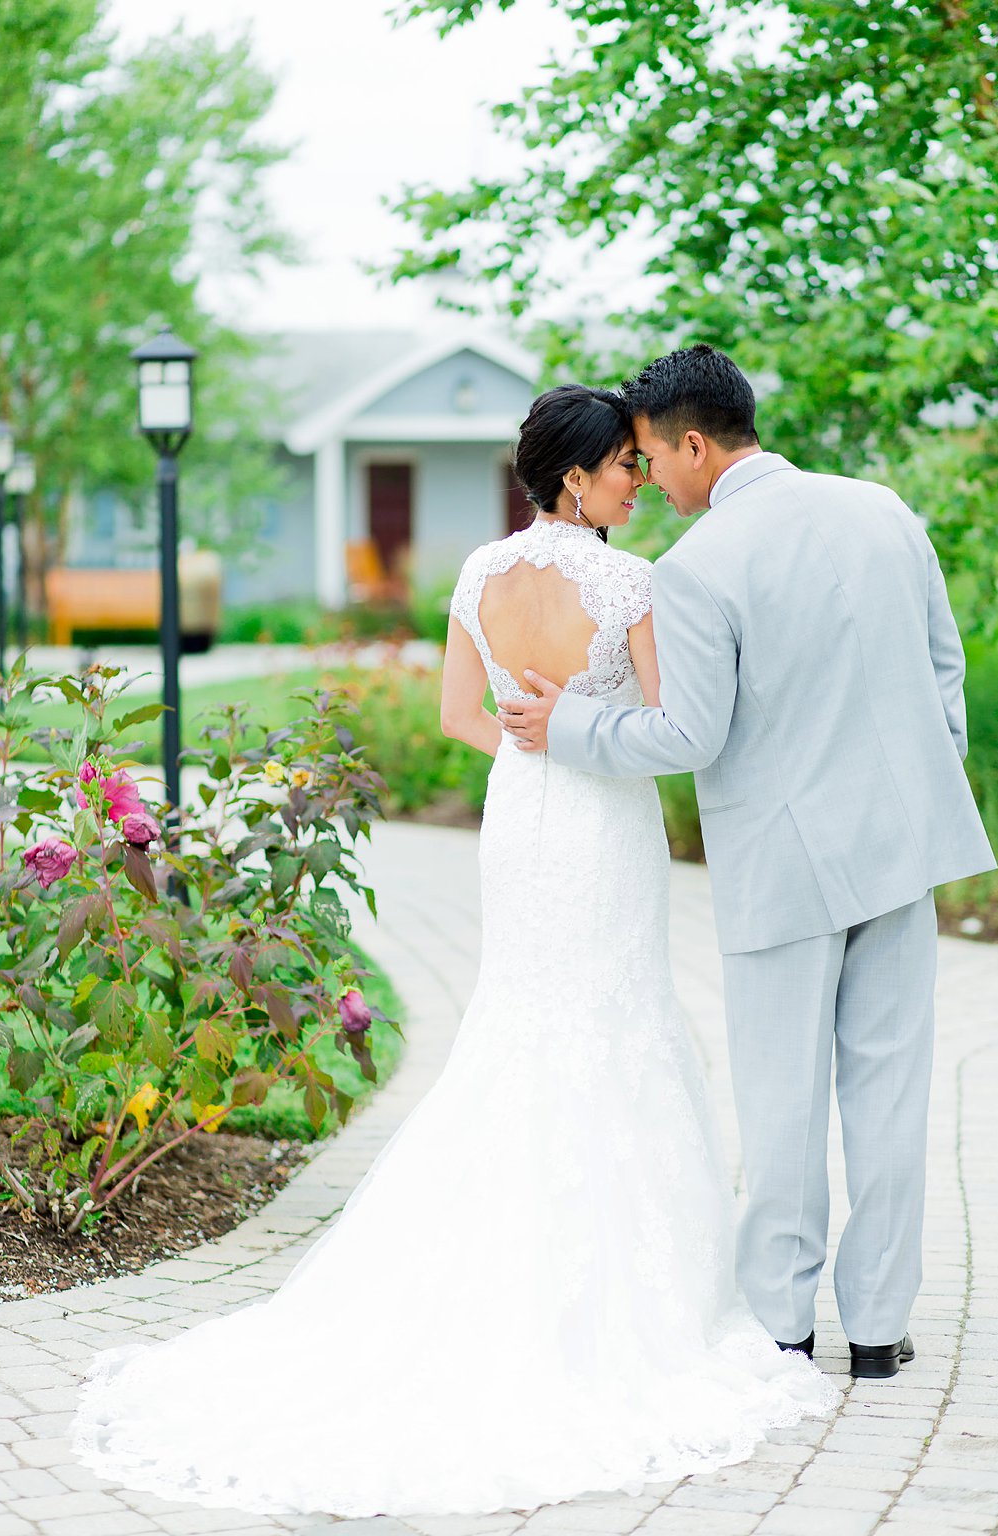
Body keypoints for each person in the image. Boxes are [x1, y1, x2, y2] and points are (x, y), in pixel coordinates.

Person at [69, 382, 837, 1520]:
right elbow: (667, 736)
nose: (636, 481)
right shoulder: (629, 582)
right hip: (593, 821)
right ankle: (628, 1304)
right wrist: (577, 740)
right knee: (609, 1020)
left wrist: (528, 745)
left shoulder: (479, 575)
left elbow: (456, 717)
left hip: (519, 818)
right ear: (574, 478)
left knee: (524, 1022)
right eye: (623, 466)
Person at [500, 344, 994, 1379]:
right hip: (898, 858)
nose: (647, 481)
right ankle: (874, 1330)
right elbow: (941, 670)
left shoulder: (697, 569)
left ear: (691, 444)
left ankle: (779, 1325)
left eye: (647, 458)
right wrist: (904, 781)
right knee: (890, 1100)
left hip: (782, 872)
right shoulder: (880, 511)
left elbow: (686, 737)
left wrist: (572, 728)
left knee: (782, 1106)